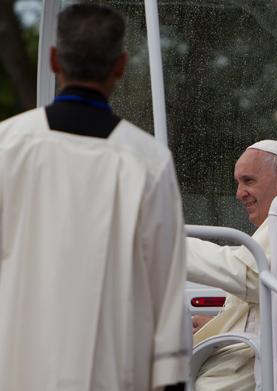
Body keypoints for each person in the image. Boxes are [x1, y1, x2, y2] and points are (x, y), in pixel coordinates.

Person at [0, 4, 189, 390]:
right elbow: (167, 291)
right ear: (120, 65)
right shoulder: (149, 161)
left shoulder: (7, 145)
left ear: (53, 59)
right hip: (113, 370)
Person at [187, 140, 277, 391]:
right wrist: (216, 325)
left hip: (259, 363)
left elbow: (253, 278)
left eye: (248, 181)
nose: (239, 193)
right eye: (238, 183)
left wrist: (168, 244)